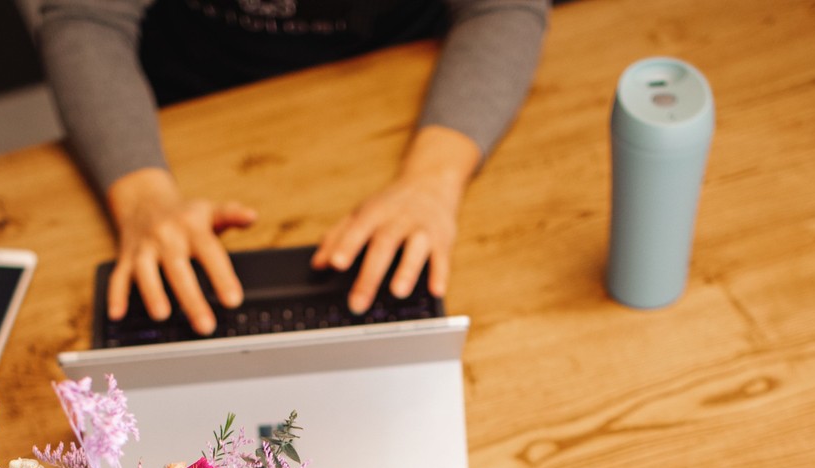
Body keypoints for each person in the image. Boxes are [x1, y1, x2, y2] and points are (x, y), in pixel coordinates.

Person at [39, 0, 550, 335]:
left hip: (406, 98)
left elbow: (503, 6)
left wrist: (433, 181)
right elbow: (85, 18)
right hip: (183, 110)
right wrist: (142, 196)